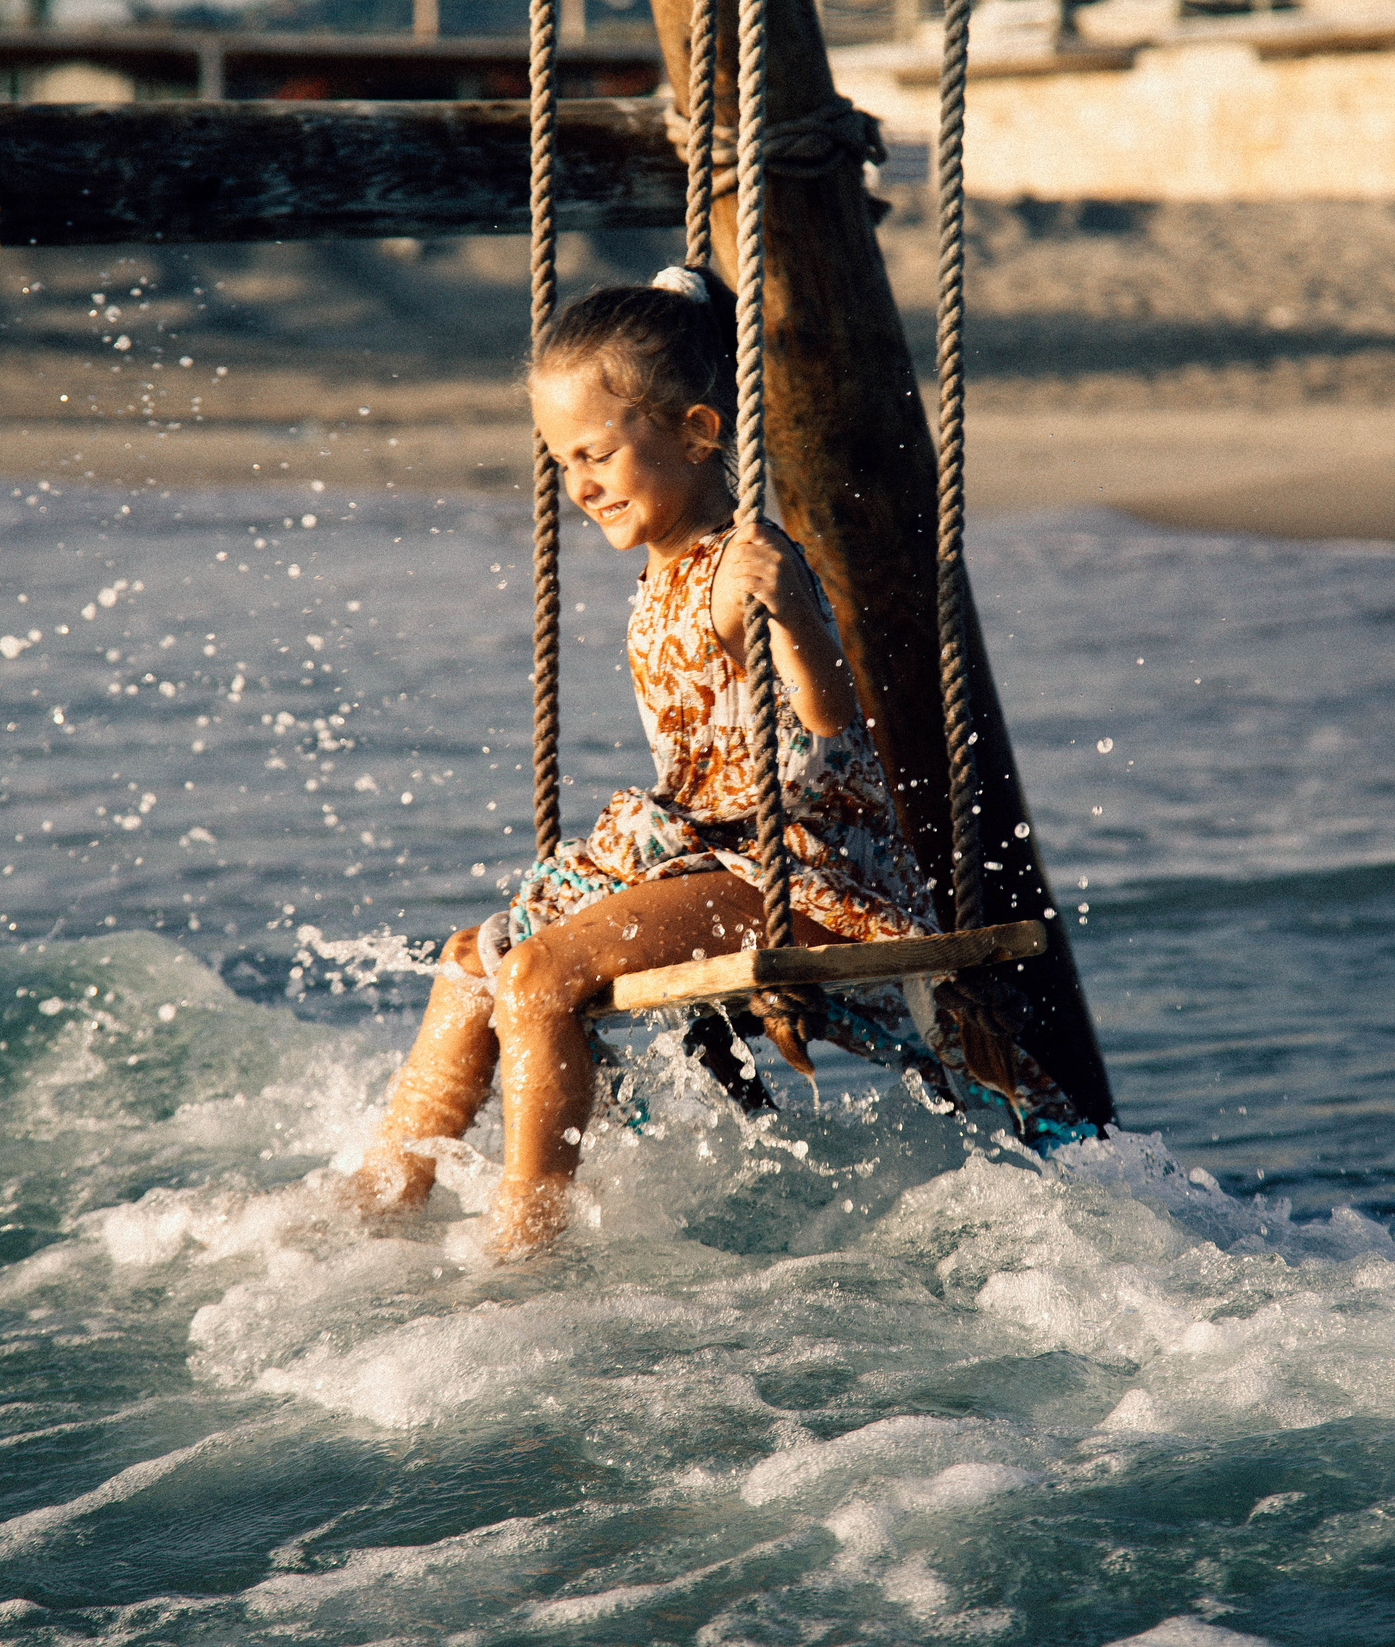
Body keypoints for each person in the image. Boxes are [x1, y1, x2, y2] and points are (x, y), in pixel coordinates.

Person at [349, 265, 953, 1254]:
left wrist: (796, 613)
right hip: (698, 852)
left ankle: (525, 1240)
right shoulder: (666, 563)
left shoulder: (739, 564)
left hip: (787, 868)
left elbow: (831, 728)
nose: (577, 484)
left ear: (697, 434)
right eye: (560, 461)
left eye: (594, 453)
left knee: (539, 974)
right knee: (472, 960)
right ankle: (382, 1194)